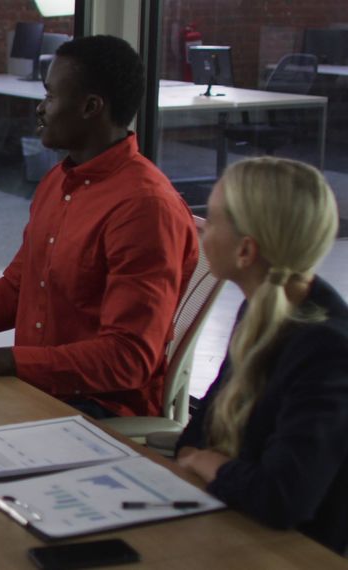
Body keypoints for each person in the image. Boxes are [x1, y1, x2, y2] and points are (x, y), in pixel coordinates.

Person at [0, 35, 198, 418]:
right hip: (34, 389)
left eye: (51, 97)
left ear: (91, 107)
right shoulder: (60, 180)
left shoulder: (145, 208)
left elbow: (128, 358)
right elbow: (18, 289)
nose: (40, 109)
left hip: (95, 408)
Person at [176, 157, 348, 555]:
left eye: (213, 220)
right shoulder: (259, 310)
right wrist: (202, 457)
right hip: (235, 524)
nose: (203, 229)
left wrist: (208, 463)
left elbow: (282, 497)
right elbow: (195, 437)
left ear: (246, 250)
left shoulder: (328, 352)